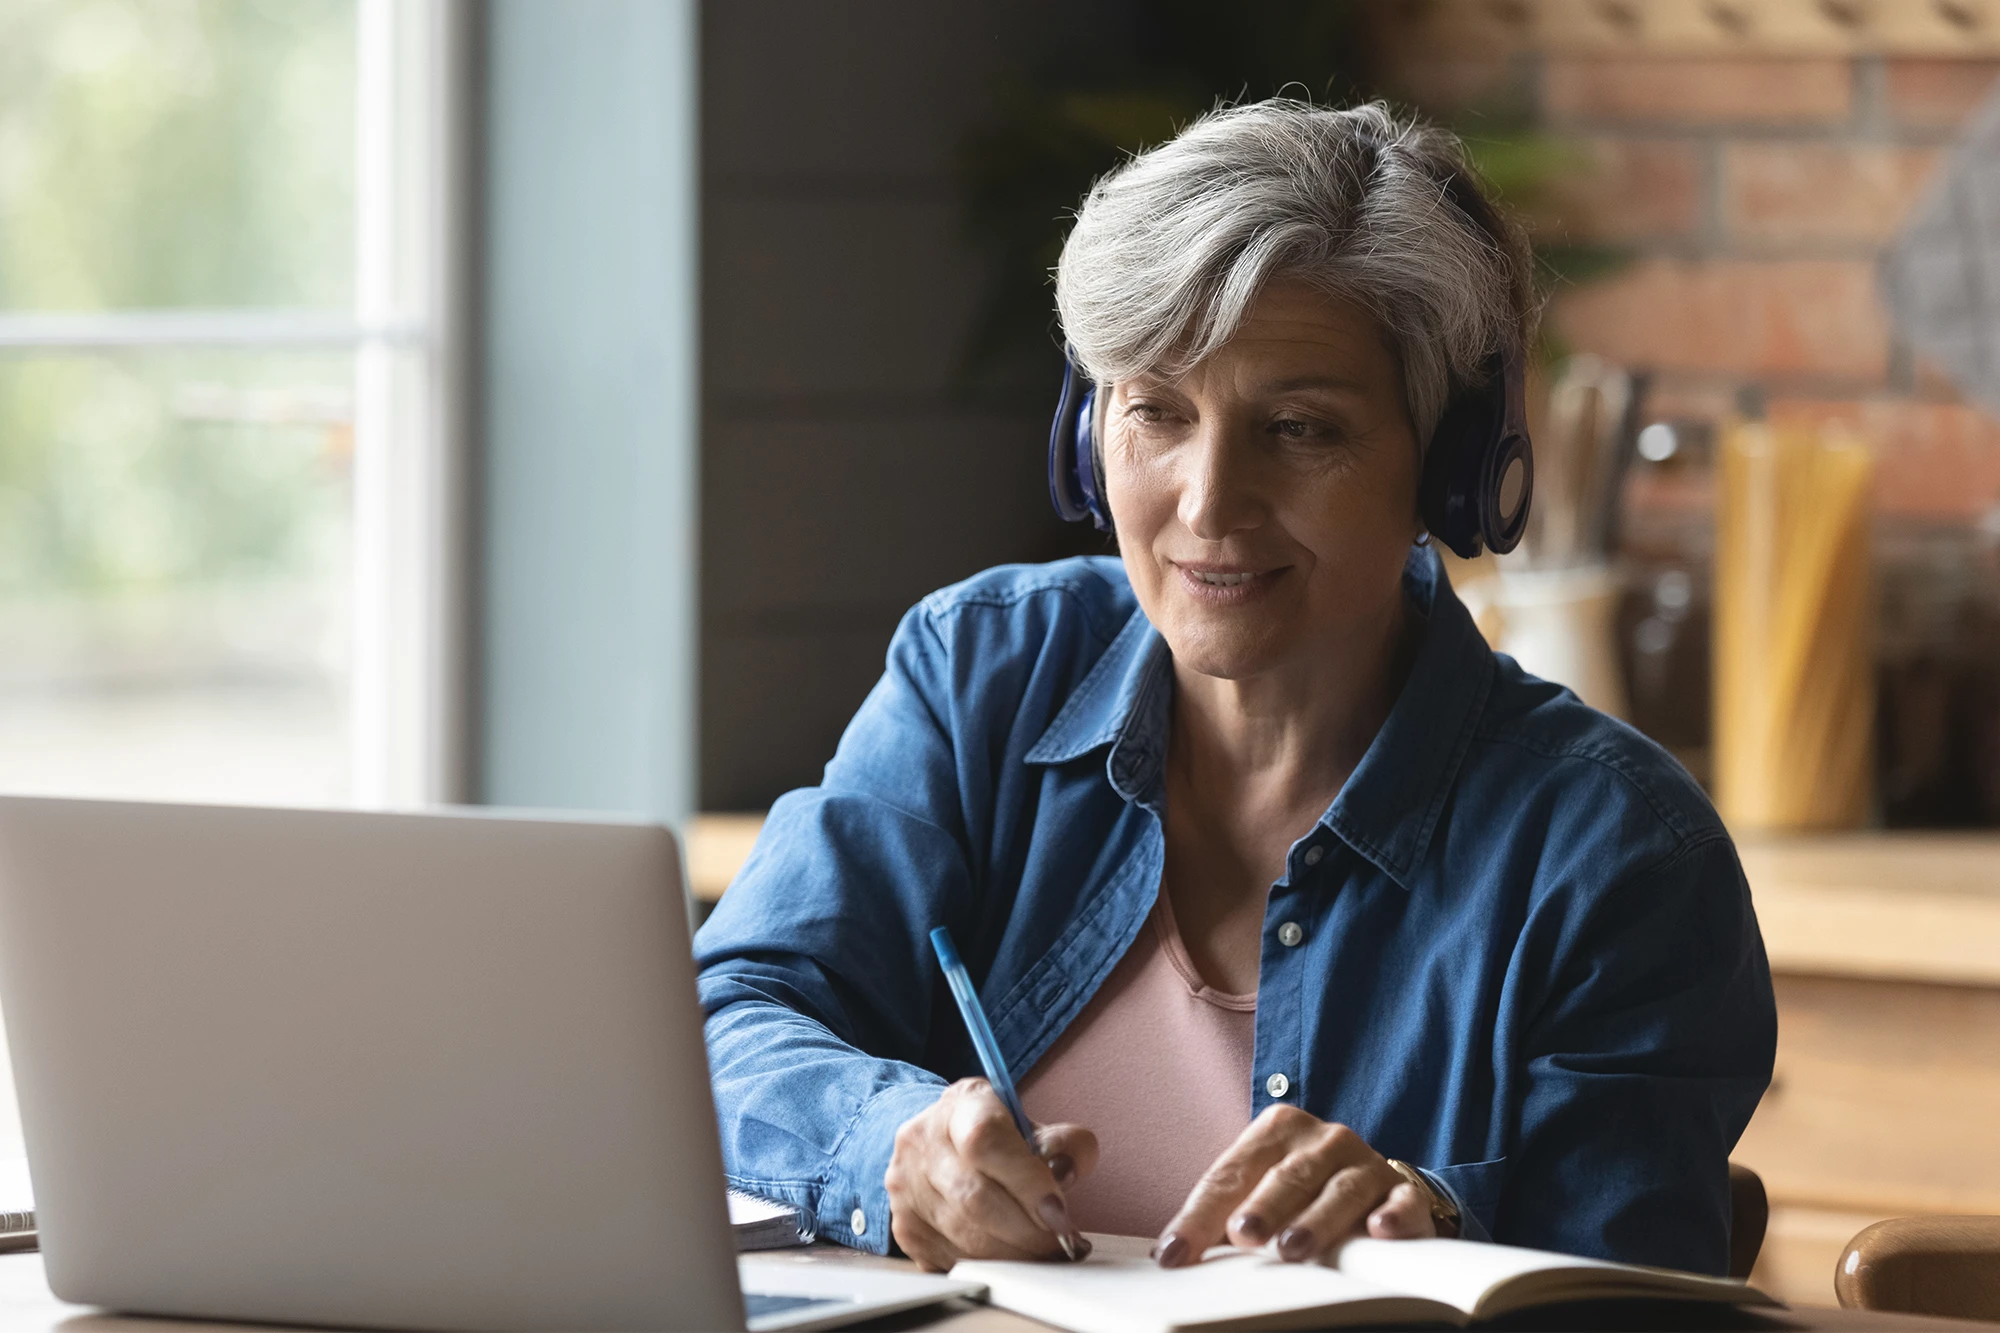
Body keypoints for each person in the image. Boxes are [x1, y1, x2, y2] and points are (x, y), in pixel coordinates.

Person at [693, 99, 1775, 1277]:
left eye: (1299, 428)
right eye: (1155, 412)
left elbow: (1625, 1280)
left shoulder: (1615, 855)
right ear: (1085, 432)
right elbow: (729, 1018)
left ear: (1450, 470)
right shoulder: (979, 675)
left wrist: (1433, 1215)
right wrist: (885, 1140)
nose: (1207, 503)